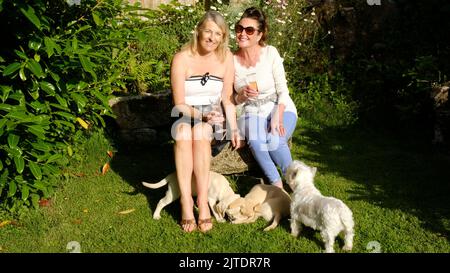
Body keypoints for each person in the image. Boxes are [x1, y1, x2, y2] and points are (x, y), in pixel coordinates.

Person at [170, 10, 241, 233]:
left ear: (223, 37)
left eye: (218, 34)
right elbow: (179, 103)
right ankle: (185, 203)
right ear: (198, 31)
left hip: (214, 118)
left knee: (200, 133)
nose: (212, 38)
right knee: (183, 133)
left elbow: (227, 98)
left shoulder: (226, 57)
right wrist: (200, 115)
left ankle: (202, 202)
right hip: (186, 113)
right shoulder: (181, 59)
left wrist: (235, 128)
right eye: (208, 31)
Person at [233, 7, 298, 189]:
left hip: (278, 105)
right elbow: (231, 99)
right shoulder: (231, 60)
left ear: (259, 35)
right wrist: (240, 95)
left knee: (275, 139)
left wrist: (278, 114)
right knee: (256, 139)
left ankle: (297, 185)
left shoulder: (270, 53)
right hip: (251, 110)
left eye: (249, 30)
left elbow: (283, 90)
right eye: (239, 28)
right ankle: (277, 188)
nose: (242, 33)